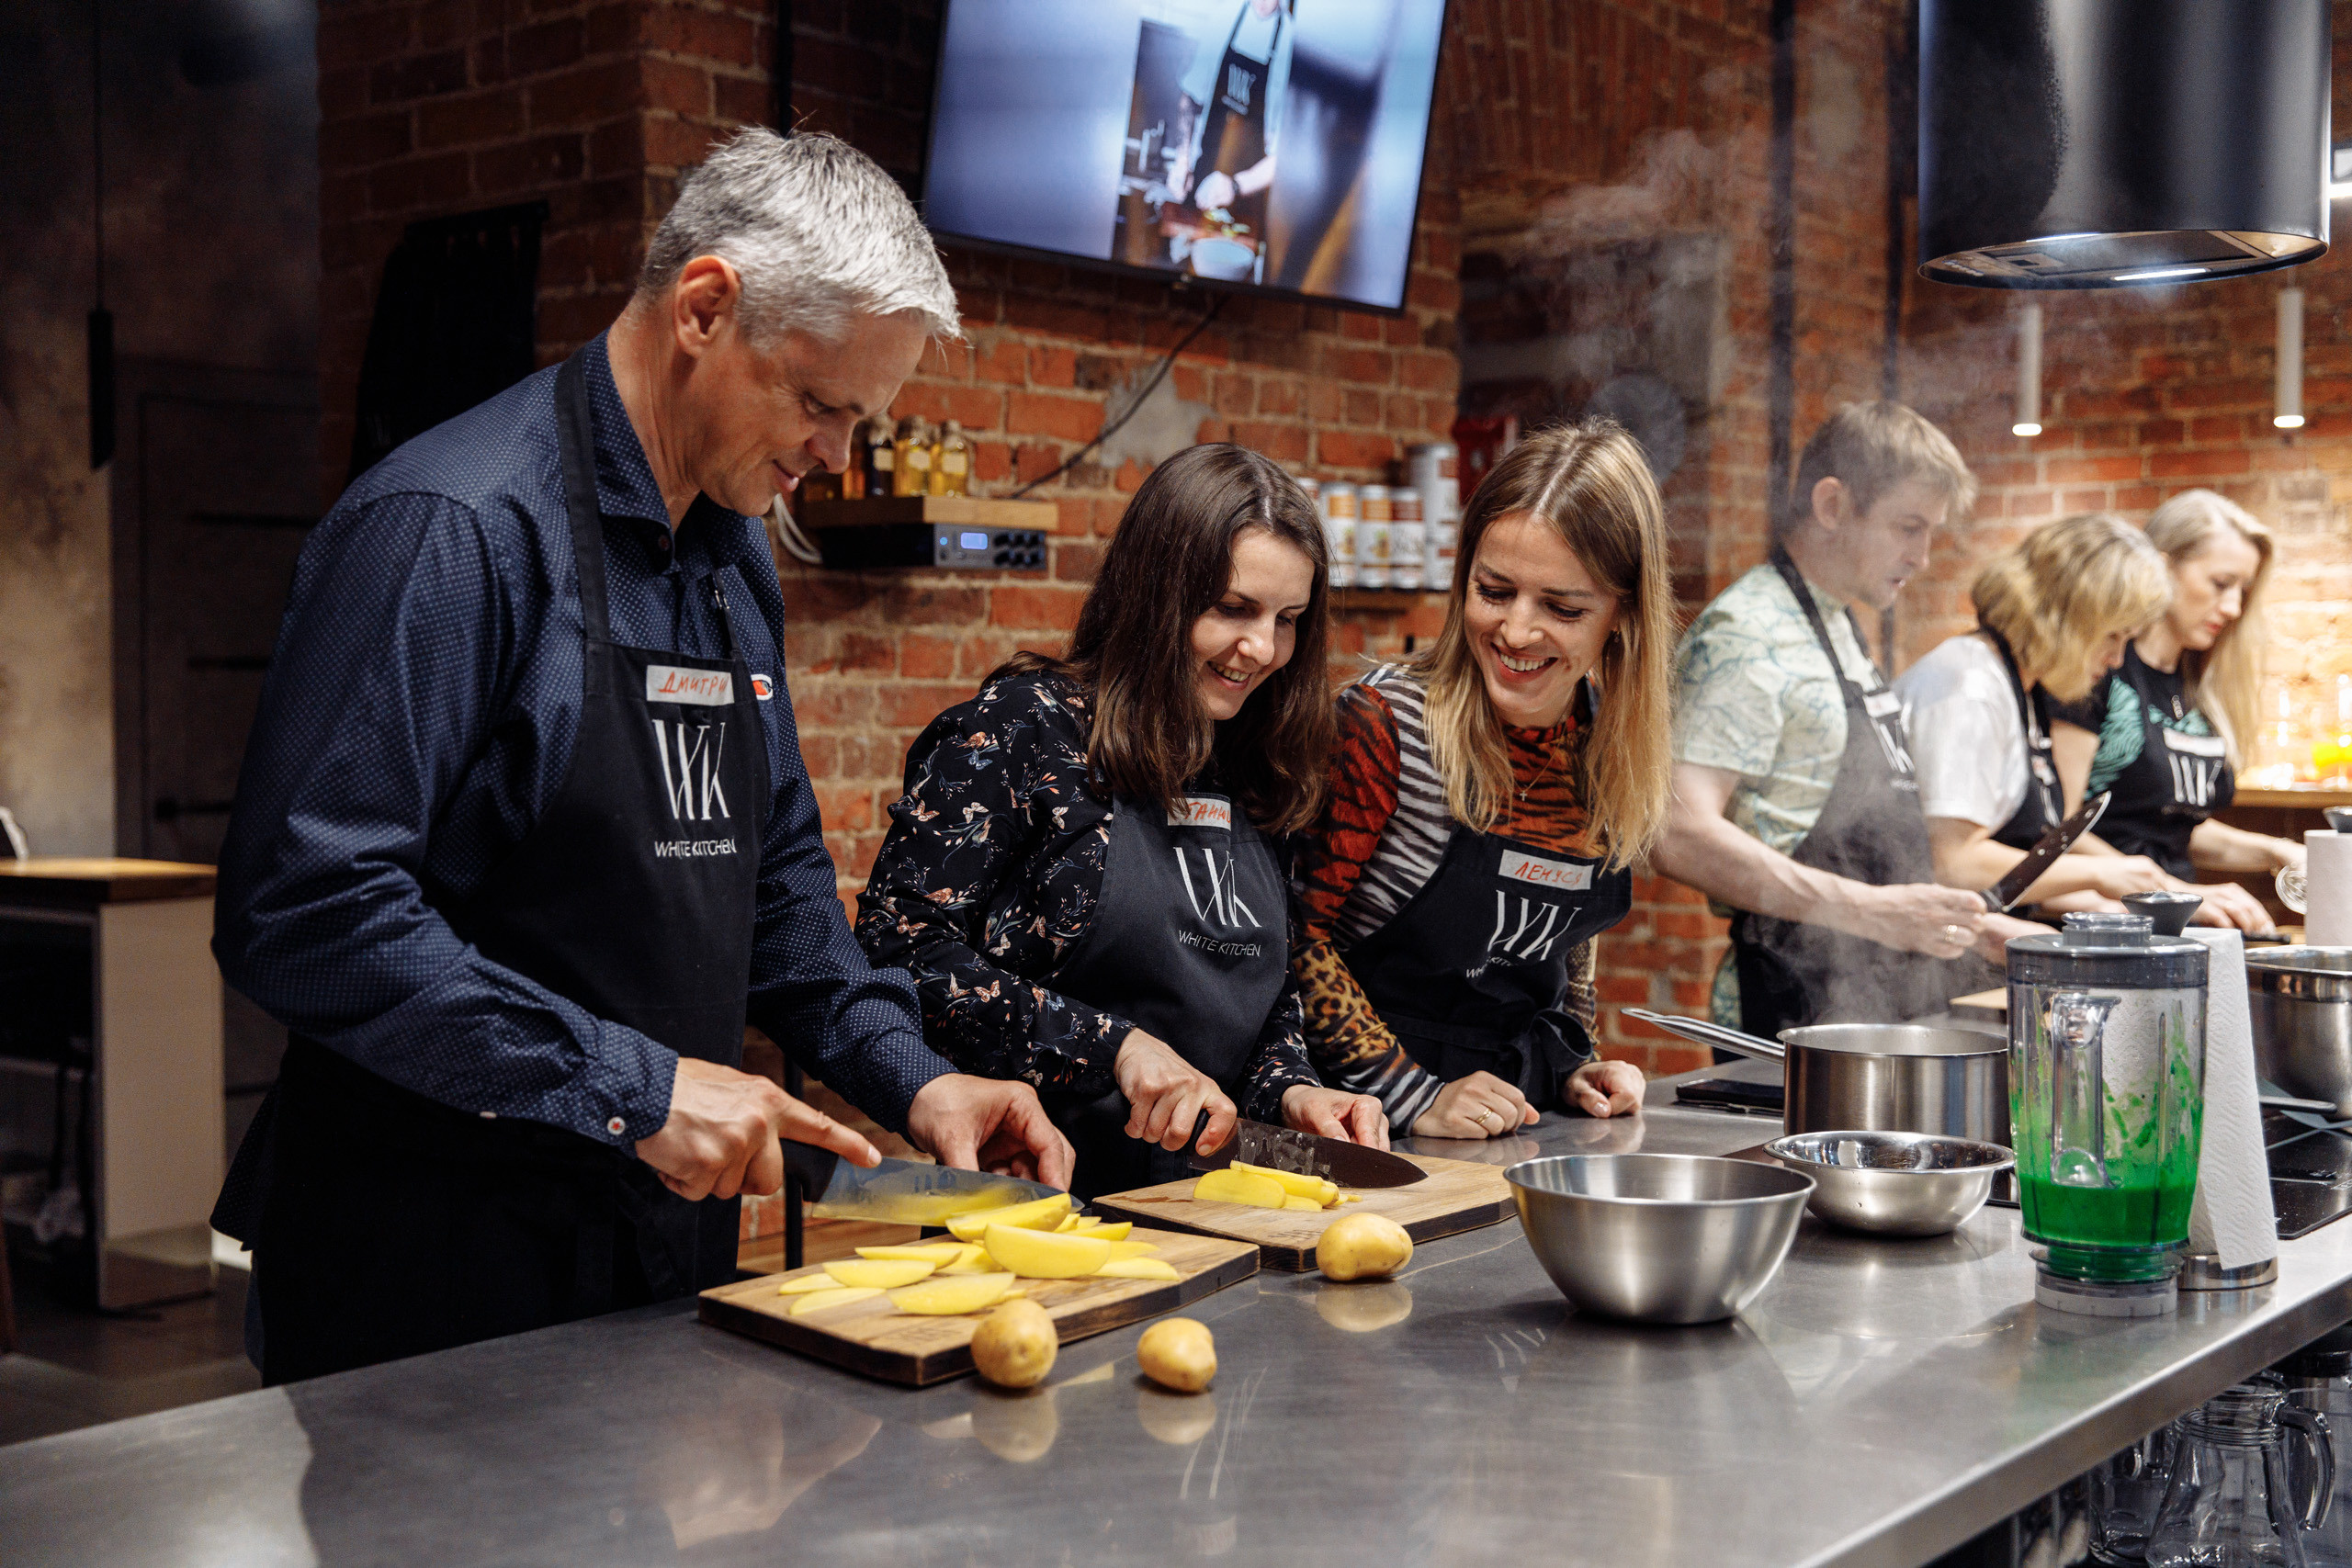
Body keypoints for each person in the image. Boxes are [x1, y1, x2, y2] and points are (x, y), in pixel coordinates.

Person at [210, 130, 1071, 1385]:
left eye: (860, 417)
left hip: (659, 1251)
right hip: (432, 1266)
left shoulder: (732, 560)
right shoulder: (452, 532)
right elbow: (303, 910)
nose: (833, 454)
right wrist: (638, 1085)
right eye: (819, 403)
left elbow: (777, 888)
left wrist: (918, 1078)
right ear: (706, 306)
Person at [856, 444, 1385, 1197]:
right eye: (1233, 609)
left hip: (1221, 1202)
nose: (1262, 648)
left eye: (1287, 618)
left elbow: (1260, 1000)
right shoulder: (1025, 729)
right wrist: (1116, 1047)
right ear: (1158, 593)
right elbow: (898, 946)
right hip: (1035, 1193)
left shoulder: (1253, 758)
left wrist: (1292, 1091)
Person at [1290, 423, 1661, 1141]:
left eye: (1562, 607)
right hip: (1364, 1127)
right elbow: (1290, 938)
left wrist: (1572, 1061)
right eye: (1495, 591)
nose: (1517, 632)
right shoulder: (1386, 725)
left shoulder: (1610, 746)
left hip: (1516, 1121)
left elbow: (1569, 947)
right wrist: (1412, 1094)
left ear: (1623, 616)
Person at [1651, 402, 2039, 1036]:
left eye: (1930, 531)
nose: (1922, 555)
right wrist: (1875, 912)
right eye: (1907, 526)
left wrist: (1967, 927)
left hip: (1878, 994)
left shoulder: (1837, 620)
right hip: (1793, 1004)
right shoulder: (1750, 632)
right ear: (1832, 506)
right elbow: (1676, 830)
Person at [1897, 513, 2233, 919]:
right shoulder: (1970, 686)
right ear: (2066, 616)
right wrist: (2100, 872)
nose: (2115, 659)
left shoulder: (2024, 691)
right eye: (2112, 635)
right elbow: (1955, 864)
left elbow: (2023, 879)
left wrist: (2133, 909)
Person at [2051, 491, 2294, 925]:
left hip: (2173, 920)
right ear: (2162, 568)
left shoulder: (2198, 684)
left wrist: (2275, 851)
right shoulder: (2100, 668)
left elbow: (2174, 826)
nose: (2235, 607)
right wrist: (2173, 893)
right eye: (2221, 584)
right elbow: (2058, 824)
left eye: (2244, 590)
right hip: (2102, 924)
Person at [1168, 0, 1293, 264]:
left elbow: (1287, 155)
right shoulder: (1224, 18)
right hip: (1202, 179)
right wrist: (1182, 162)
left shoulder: (1291, 45)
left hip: (1249, 195)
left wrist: (1236, 187)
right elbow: (1189, 97)